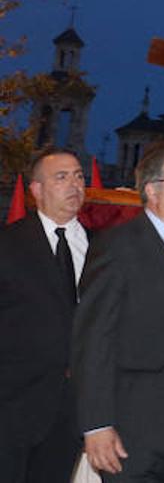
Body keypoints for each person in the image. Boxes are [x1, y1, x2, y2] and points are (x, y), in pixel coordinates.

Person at [72, 141, 164, 482]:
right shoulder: (117, 247)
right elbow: (93, 340)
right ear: (152, 190)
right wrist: (96, 424)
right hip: (134, 431)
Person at [0, 149, 88, 483]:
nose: (74, 184)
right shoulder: (8, 244)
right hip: (11, 406)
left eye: (79, 176)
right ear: (36, 190)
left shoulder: (103, 249)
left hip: (70, 412)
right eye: (61, 177)